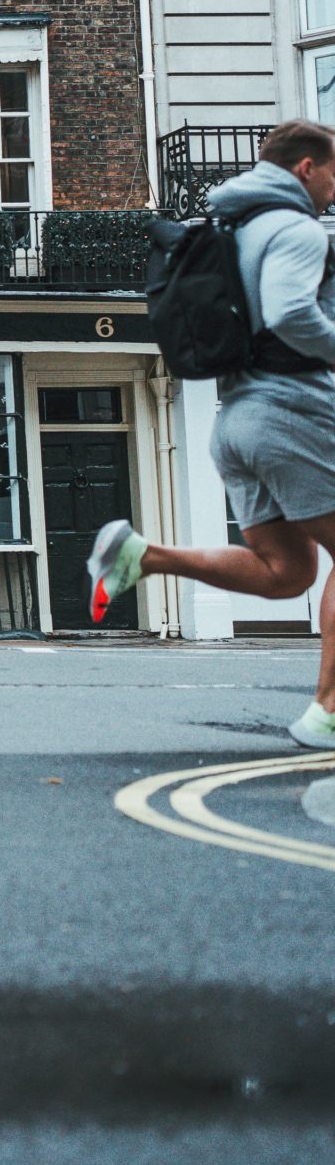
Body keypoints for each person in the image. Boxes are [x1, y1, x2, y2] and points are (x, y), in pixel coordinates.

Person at [87, 119, 335, 749]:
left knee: (288, 572)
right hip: (292, 412)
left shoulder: (232, 226)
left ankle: (144, 557)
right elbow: (289, 312)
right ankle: (329, 711)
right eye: (334, 173)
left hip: (236, 420)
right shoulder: (298, 228)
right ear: (307, 167)